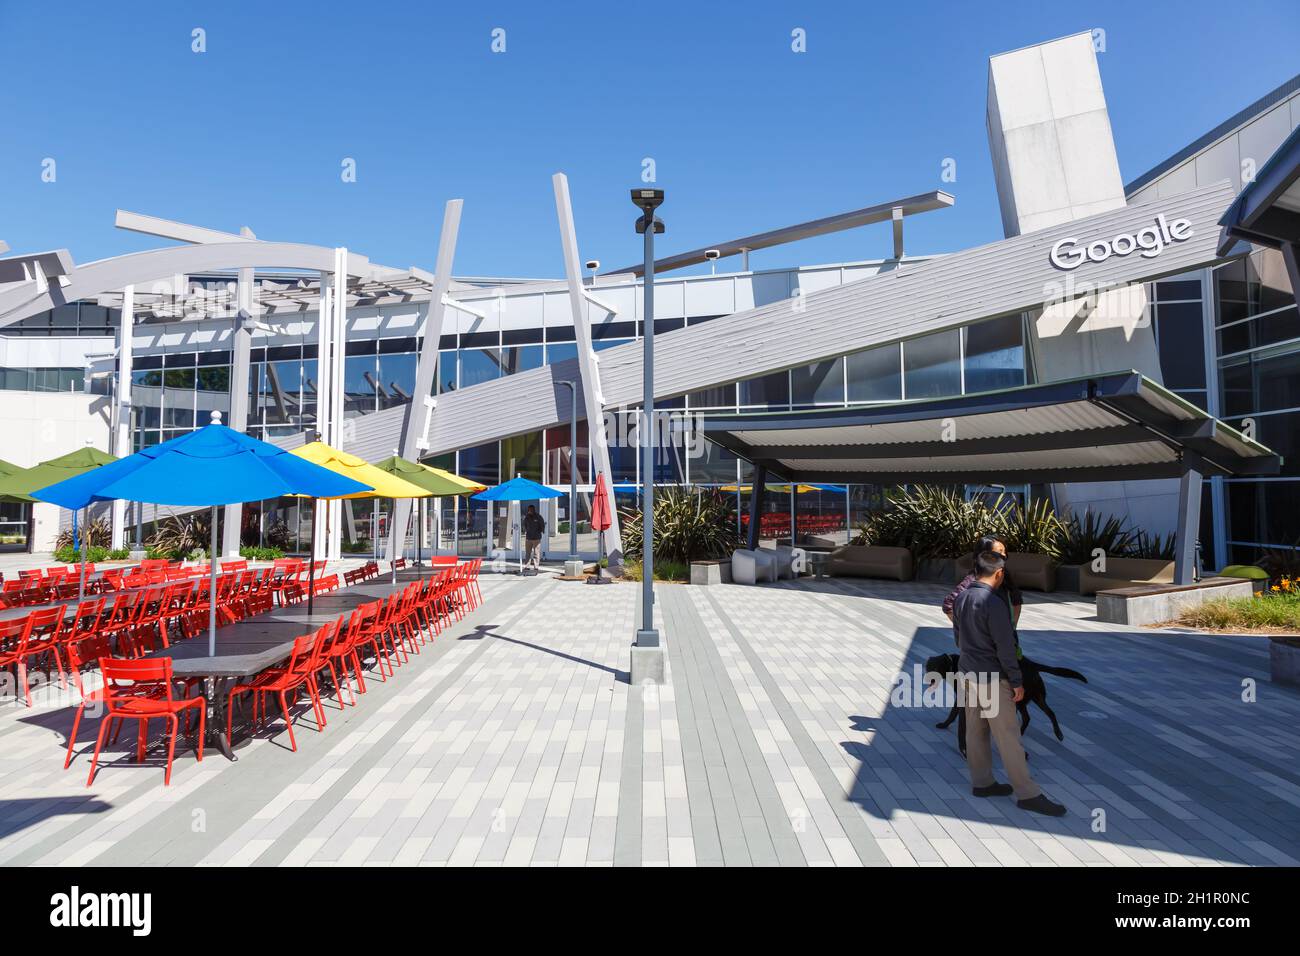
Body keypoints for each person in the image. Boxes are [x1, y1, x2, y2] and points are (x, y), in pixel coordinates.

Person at [953, 550, 1066, 817]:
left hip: (968, 673)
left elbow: (958, 638)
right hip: (992, 678)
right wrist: (1016, 681)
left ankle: (982, 783)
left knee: (976, 730)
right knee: (1008, 736)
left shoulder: (962, 597)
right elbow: (1006, 647)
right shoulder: (993, 602)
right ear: (999, 573)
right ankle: (1027, 794)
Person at [522, 504, 545, 570]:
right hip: (528, 538)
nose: (530, 511)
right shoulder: (527, 517)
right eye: (529, 510)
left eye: (531, 509)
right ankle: (527, 566)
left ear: (534, 509)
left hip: (536, 538)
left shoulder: (538, 517)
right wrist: (526, 531)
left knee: (536, 552)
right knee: (528, 553)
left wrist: (540, 531)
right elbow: (524, 525)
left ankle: (536, 566)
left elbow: (542, 525)